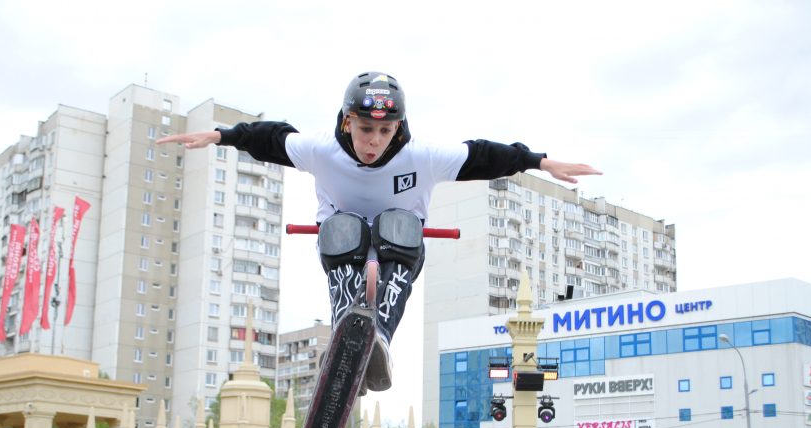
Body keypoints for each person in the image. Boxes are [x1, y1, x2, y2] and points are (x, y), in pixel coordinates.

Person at [157, 72, 600, 393]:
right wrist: (219, 135)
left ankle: (379, 340)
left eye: (385, 131)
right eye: (366, 129)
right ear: (348, 122)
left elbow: (485, 155)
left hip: (401, 247)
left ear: (398, 128)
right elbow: (270, 138)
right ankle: (345, 331)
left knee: (397, 225)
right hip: (341, 242)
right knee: (345, 229)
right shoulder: (320, 149)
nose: (374, 142)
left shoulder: (423, 156)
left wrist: (540, 161)